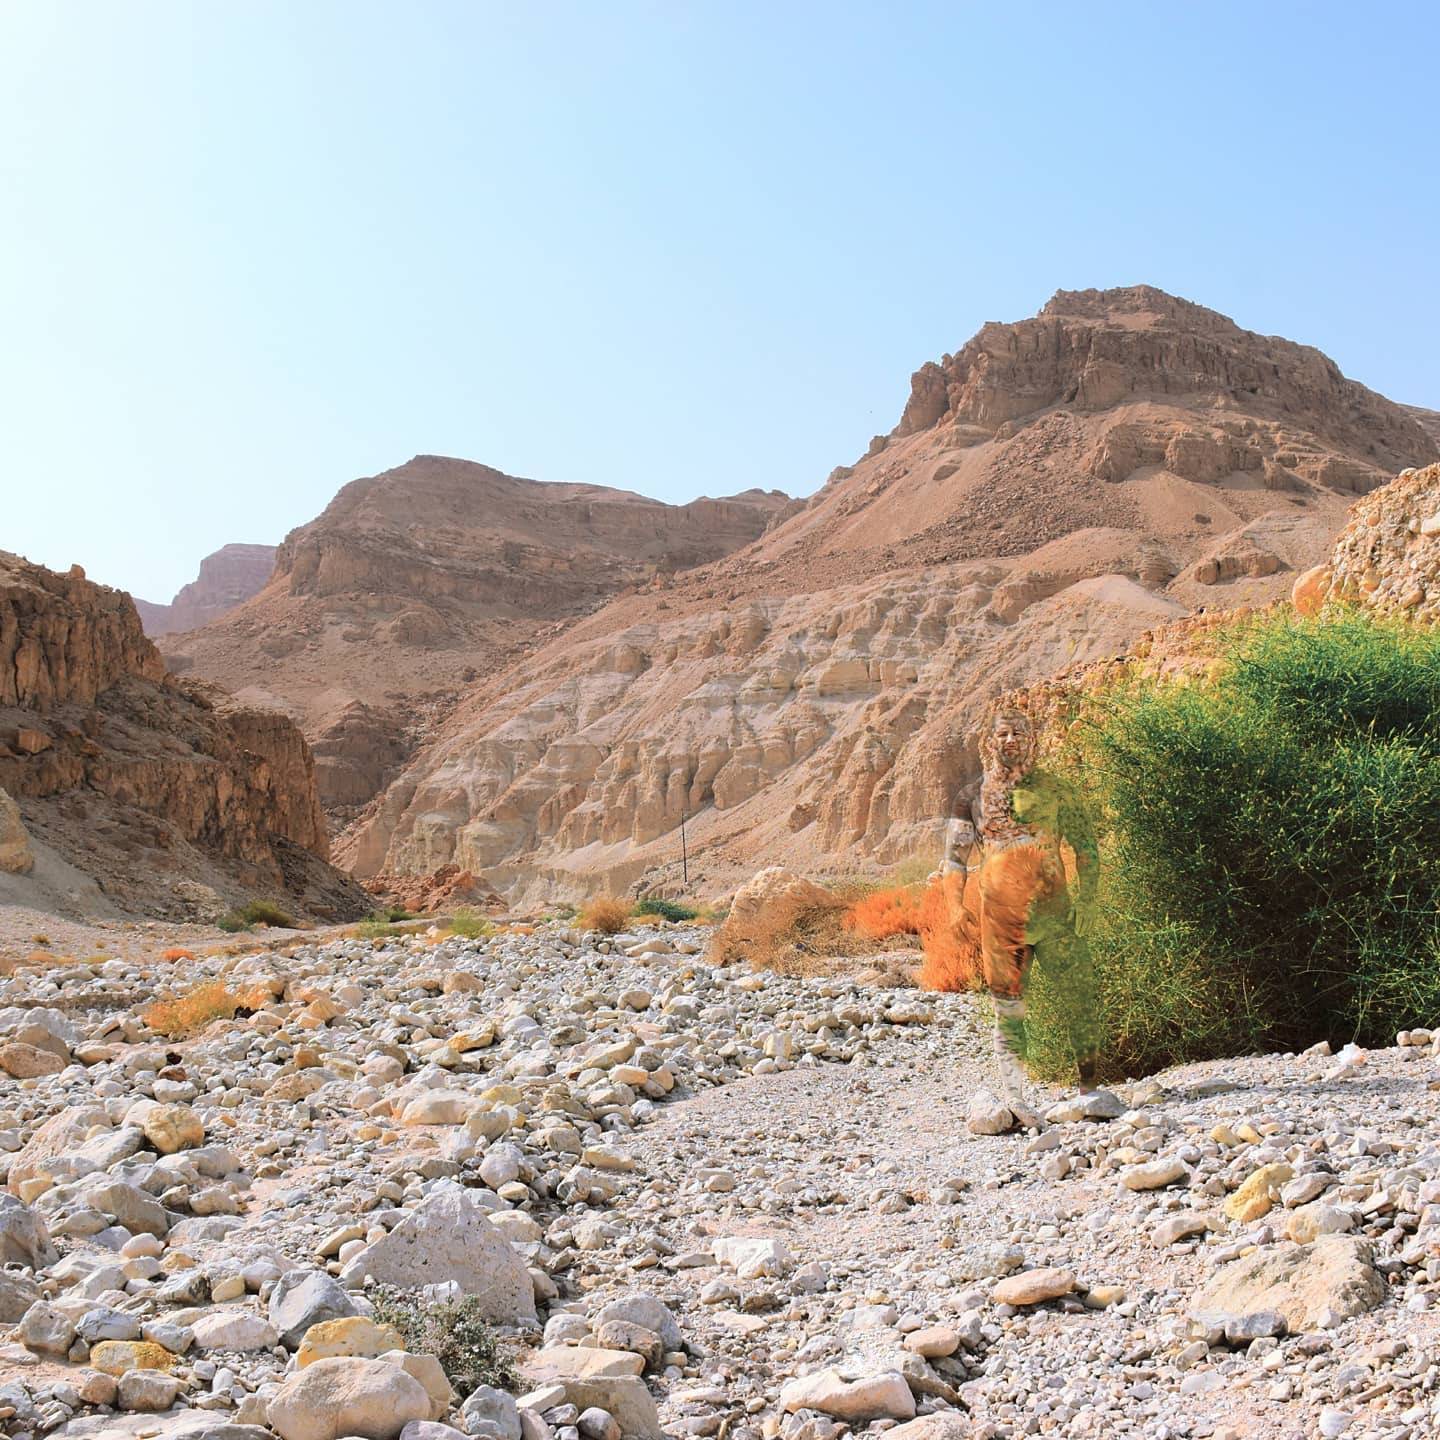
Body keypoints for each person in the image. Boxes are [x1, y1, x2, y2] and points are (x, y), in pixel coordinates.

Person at [935, 703, 1100, 1102]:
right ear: (991, 742)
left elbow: (1087, 848)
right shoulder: (971, 796)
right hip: (1001, 922)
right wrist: (955, 907)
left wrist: (1090, 901)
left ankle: (1091, 1090)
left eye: (1018, 733)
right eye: (1003, 734)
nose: (1010, 741)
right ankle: (1014, 1097)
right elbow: (954, 859)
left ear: (1033, 741)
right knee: (1007, 1009)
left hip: (1058, 917)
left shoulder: (1059, 790)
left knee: (1081, 997)